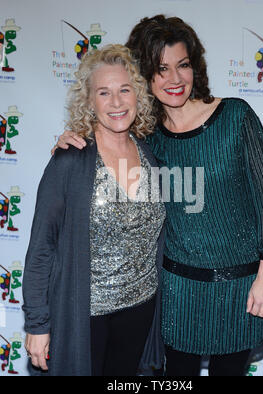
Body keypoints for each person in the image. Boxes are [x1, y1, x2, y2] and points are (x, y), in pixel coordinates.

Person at [53, 15, 263, 377]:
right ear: (143, 76)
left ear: (196, 67)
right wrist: (71, 141)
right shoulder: (146, 138)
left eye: (183, 65)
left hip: (241, 290)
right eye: (161, 69)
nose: (175, 79)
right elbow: (104, 142)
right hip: (177, 293)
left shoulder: (236, 117)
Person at [23, 44, 166, 376]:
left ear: (138, 96)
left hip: (141, 311)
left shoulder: (150, 155)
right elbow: (41, 248)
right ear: (89, 102)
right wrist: (37, 323)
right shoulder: (70, 160)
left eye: (124, 90)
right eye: (104, 92)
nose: (116, 102)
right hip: (84, 317)